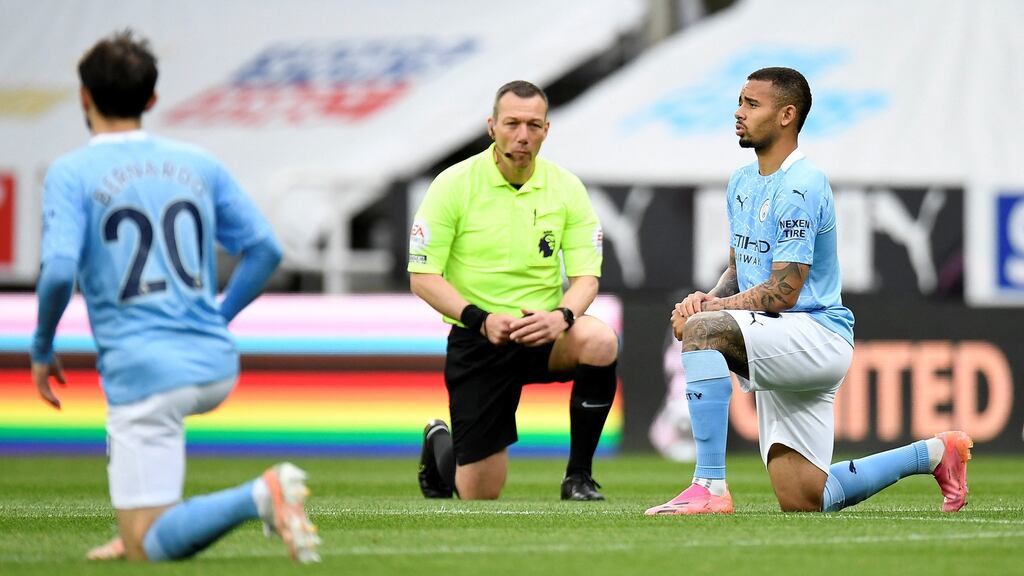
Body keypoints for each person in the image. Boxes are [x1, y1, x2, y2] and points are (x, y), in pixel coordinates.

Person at [30, 30, 320, 562]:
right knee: (145, 527)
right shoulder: (197, 162)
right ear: (152, 99)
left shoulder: (71, 173)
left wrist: (42, 346)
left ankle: (260, 494)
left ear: (84, 97)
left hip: (144, 369)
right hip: (214, 363)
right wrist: (217, 315)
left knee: (150, 548)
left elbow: (57, 273)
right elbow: (266, 251)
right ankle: (147, 524)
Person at [645, 67, 972, 515]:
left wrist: (710, 315)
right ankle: (936, 454)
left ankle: (709, 487)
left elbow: (784, 291)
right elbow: (742, 267)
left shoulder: (801, 184)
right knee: (804, 498)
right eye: (740, 102)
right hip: (779, 338)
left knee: (705, 331)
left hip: (814, 335)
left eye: (751, 104)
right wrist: (705, 299)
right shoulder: (742, 181)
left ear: (787, 115)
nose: (738, 113)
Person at [409, 80, 619, 501]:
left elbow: (585, 279)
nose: (522, 136)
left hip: (544, 333)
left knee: (599, 339)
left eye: (533, 125)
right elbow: (422, 276)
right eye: (512, 124)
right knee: (479, 494)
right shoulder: (453, 184)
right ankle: (438, 444)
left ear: (546, 129)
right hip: (478, 337)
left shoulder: (566, 187)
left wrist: (559, 318)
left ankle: (578, 477)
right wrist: (480, 319)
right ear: (491, 127)